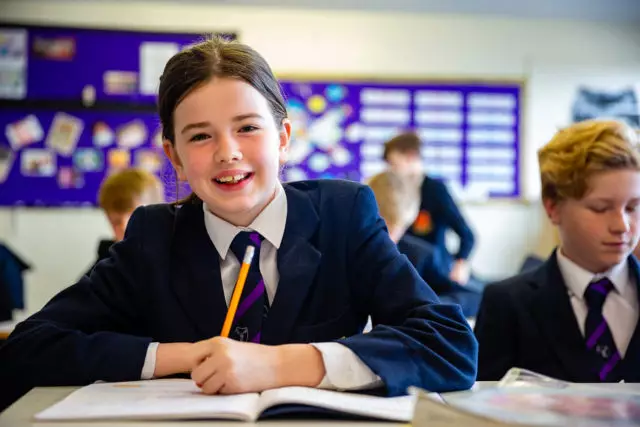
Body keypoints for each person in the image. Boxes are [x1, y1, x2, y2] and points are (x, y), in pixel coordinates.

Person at [0, 36, 477, 410]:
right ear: (176, 158)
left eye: (248, 128)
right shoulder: (153, 237)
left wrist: (285, 363)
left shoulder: (344, 213)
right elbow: (28, 349)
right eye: (201, 136)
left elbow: (450, 346)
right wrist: (185, 356)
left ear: (283, 138)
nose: (228, 152)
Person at [474, 119, 640, 382]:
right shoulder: (507, 304)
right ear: (553, 207)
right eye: (600, 208)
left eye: (632, 207)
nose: (622, 226)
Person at [367, 170, 483, 317]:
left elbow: (473, 299)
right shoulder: (345, 251)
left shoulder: (420, 255)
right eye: (382, 227)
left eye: (398, 229)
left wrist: (425, 306)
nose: (389, 240)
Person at [383, 132, 475, 285]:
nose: (391, 170)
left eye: (394, 164)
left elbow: (467, 235)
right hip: (406, 269)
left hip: (433, 272)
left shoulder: (435, 189)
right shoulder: (392, 191)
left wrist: (460, 264)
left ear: (411, 156)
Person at [82, 168, 164, 278]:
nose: (124, 228)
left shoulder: (173, 258)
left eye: (134, 220)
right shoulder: (106, 263)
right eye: (116, 222)